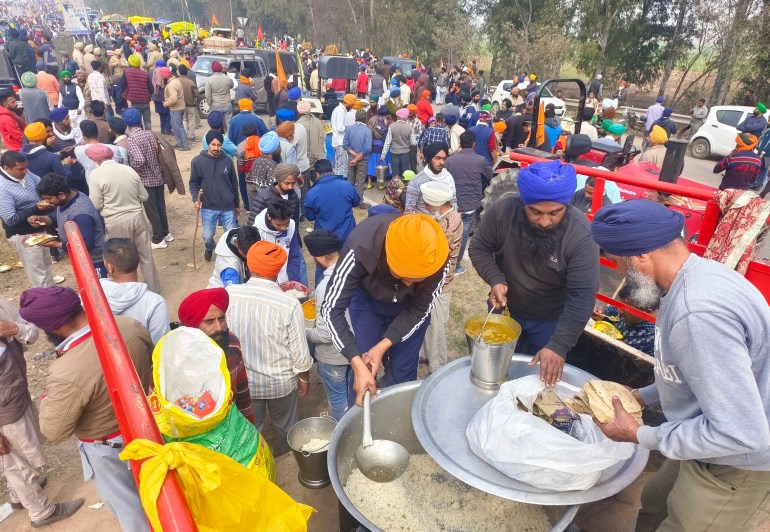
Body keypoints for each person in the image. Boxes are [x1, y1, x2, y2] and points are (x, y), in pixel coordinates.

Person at [590, 199, 770, 532]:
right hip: (707, 431)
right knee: (657, 498)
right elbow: (692, 373)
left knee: (687, 522)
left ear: (641, 255)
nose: (616, 271)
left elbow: (742, 433)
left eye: (616, 261)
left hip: (740, 460)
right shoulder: (693, 277)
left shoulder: (697, 314)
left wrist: (639, 434)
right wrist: (641, 396)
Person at [18, 287, 152, 531]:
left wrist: (48, 397)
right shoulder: (128, 325)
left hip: (108, 449)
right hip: (147, 425)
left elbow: (54, 431)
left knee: (129, 508)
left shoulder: (65, 371)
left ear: (55, 329)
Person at [469, 160, 600, 387]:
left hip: (551, 322)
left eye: (555, 213)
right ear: (523, 203)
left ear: (566, 206)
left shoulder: (580, 235)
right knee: (496, 375)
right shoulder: (501, 213)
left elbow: (582, 295)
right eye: (535, 212)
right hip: (505, 311)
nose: (545, 221)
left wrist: (558, 345)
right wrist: (496, 280)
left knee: (537, 385)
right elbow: (478, 248)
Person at [321, 213, 449, 406]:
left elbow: (421, 308)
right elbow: (331, 309)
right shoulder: (361, 246)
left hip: (410, 310)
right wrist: (355, 361)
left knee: (403, 370)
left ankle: (400, 415)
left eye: (416, 279)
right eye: (403, 275)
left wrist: (383, 345)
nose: (408, 283)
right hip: (367, 304)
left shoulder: (436, 257)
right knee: (365, 365)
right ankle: (355, 418)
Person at [0, 294, 85, 527]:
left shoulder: (1, 302)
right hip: (5, 409)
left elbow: (30, 333)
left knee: (17, 456)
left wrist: (15, 329)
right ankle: (42, 512)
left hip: (16, 391)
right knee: (17, 461)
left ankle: (19, 495)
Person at [226, 241, 312, 455]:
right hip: (281, 384)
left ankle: (256, 465)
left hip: (245, 384)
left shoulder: (229, 295)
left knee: (252, 429)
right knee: (287, 427)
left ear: (249, 265)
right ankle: (289, 462)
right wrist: (304, 378)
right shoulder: (289, 304)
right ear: (278, 269)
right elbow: (300, 353)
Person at [87, 144, 160, 293]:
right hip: (138, 218)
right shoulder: (129, 170)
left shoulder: (96, 175)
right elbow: (144, 196)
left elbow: (96, 203)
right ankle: (153, 291)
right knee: (146, 256)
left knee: (120, 260)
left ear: (95, 160)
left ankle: (126, 293)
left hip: (116, 222)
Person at [178, 288, 256, 425]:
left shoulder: (232, 344)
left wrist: (250, 427)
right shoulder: (176, 360)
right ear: (193, 327)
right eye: (209, 322)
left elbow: (243, 395)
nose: (219, 327)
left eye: (221, 319)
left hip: (230, 427)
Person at [303, 230, 349, 420]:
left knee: (338, 398)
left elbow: (326, 334)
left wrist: (305, 332)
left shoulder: (325, 287)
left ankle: (341, 431)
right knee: (352, 393)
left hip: (333, 357)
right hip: (357, 350)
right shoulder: (354, 273)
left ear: (320, 258)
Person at [418, 182, 462, 374]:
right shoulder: (449, 215)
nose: (426, 207)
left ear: (436, 204)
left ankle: (437, 368)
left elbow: (433, 253)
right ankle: (426, 355)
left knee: (436, 326)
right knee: (426, 319)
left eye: (428, 204)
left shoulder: (447, 225)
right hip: (437, 282)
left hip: (440, 283)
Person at [30, 173, 106, 277]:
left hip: (94, 261)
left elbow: (86, 244)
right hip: (81, 258)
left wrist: (56, 244)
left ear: (61, 195)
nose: (46, 202)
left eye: (49, 199)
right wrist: (42, 219)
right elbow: (62, 217)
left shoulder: (81, 213)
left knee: (97, 289)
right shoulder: (70, 196)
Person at [0, 151, 55, 287]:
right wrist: (35, 208)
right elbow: (10, 219)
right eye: (20, 169)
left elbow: (40, 184)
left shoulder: (26, 173)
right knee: (38, 275)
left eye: (26, 167)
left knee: (47, 266)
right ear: (6, 168)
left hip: (40, 228)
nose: (25, 171)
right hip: (23, 235)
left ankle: (54, 297)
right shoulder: (2, 188)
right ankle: (47, 303)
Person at [101, 238, 168, 343]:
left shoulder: (91, 297)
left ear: (110, 267)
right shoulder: (155, 303)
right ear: (139, 259)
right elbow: (161, 344)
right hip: (142, 357)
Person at [444, 131, 493, 272]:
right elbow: (489, 175)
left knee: (449, 231)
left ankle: (445, 260)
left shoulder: (450, 160)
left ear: (460, 143)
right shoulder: (480, 160)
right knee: (463, 234)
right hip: (470, 204)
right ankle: (456, 265)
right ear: (474, 144)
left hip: (452, 204)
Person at [125, 108, 172, 248]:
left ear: (127, 124)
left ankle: (158, 239)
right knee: (160, 206)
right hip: (158, 175)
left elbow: (139, 160)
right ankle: (166, 233)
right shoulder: (150, 134)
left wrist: (134, 168)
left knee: (151, 210)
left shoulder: (132, 139)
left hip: (146, 178)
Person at [190, 130, 240, 263]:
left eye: (219, 145)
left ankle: (230, 258)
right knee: (207, 237)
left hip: (227, 206)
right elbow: (194, 184)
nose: (216, 148)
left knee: (231, 235)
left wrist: (236, 205)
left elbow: (234, 185)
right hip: (208, 206)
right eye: (213, 145)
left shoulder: (228, 162)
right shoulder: (197, 162)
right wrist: (196, 199)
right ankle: (210, 248)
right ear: (208, 144)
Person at [592, 285, 656, 357]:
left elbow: (644, 366)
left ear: (647, 312)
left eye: (627, 309)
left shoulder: (652, 340)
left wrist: (621, 347)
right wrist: (599, 313)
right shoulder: (618, 310)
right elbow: (605, 313)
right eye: (620, 305)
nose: (619, 311)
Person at [252, 198, 302, 284]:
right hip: (266, 283)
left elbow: (293, 255)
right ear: (269, 217)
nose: (283, 228)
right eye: (279, 225)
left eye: (286, 224)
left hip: (286, 279)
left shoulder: (292, 225)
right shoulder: (257, 232)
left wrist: (294, 281)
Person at [405, 142, 457, 214]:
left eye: (444, 159)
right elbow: (409, 210)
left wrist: (453, 219)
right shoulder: (416, 182)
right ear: (429, 159)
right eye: (437, 158)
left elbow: (453, 202)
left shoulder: (448, 177)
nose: (442, 162)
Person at [343, 108, 372, 202]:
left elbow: (345, 145)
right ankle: (359, 202)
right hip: (362, 160)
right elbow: (367, 149)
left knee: (350, 181)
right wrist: (358, 157)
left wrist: (354, 156)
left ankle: (348, 201)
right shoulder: (367, 131)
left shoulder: (349, 129)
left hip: (351, 158)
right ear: (365, 119)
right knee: (360, 182)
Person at [120, 54, 153, 130]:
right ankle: (149, 134)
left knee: (137, 121)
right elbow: (151, 89)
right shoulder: (145, 74)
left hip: (135, 101)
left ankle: (140, 135)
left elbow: (122, 85)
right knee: (147, 121)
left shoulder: (127, 72)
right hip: (145, 101)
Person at [162, 66, 189, 151]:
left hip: (176, 108)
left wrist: (166, 103)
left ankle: (185, 145)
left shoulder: (171, 85)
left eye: (162, 76)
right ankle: (180, 143)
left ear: (165, 76)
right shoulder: (175, 81)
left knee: (178, 126)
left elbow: (173, 99)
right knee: (176, 126)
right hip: (179, 107)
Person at [381, 107, 413, 178]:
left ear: (398, 116)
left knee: (395, 172)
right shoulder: (409, 127)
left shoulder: (392, 126)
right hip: (405, 153)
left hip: (394, 152)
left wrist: (383, 155)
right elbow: (413, 142)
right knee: (405, 173)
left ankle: (396, 187)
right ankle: (404, 187)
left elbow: (387, 142)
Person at [205, 62, 235, 130]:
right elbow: (232, 85)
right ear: (221, 69)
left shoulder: (209, 80)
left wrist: (210, 104)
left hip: (216, 105)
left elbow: (207, 95)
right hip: (227, 104)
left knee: (216, 124)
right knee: (228, 123)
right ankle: (229, 138)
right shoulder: (227, 78)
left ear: (212, 70)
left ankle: (218, 138)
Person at [332, 94, 356, 176]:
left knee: (339, 166)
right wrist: (350, 127)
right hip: (340, 142)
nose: (352, 107)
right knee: (342, 167)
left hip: (338, 141)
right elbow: (340, 128)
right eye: (352, 105)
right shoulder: (340, 111)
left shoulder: (339, 110)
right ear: (348, 103)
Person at [176, 65, 199, 143]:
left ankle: (185, 135)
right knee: (192, 120)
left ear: (179, 72)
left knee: (184, 120)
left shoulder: (176, 81)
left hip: (181, 104)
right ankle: (191, 136)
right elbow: (196, 94)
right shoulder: (191, 82)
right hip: (191, 104)